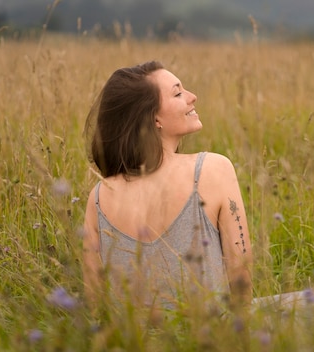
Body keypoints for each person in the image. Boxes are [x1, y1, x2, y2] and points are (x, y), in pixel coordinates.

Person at [82, 61, 252, 313]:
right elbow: (241, 282)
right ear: (153, 118)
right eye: (178, 93)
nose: (192, 97)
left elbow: (95, 303)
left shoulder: (98, 196)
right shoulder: (213, 169)